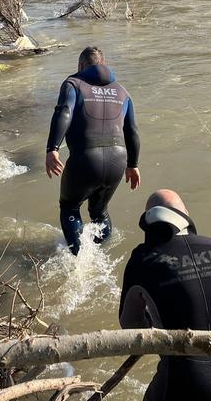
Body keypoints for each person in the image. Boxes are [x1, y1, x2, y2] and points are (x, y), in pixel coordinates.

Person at [119, 189, 211, 401]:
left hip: (185, 384)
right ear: (186, 214)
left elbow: (130, 325)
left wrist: (159, 319)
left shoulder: (143, 260)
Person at [45, 46, 141, 254]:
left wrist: (52, 148)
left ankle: (79, 261)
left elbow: (64, 112)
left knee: (70, 207)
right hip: (118, 159)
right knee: (99, 211)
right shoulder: (122, 91)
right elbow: (132, 130)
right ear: (103, 64)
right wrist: (133, 165)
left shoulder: (73, 83)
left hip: (86, 159)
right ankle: (100, 255)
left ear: (80, 66)